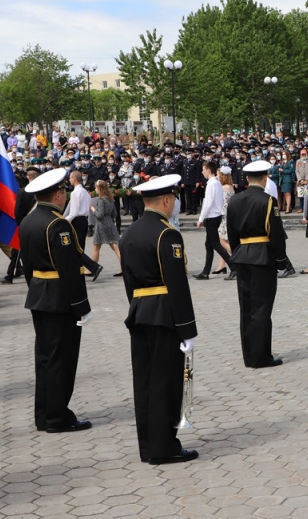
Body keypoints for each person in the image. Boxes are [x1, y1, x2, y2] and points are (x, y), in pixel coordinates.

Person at [120, 174, 198, 464]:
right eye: (174, 198)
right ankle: (164, 447)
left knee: (144, 382)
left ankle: (149, 446)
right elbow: (177, 284)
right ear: (166, 200)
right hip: (165, 315)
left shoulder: (129, 233)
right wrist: (188, 329)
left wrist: (137, 307)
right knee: (165, 383)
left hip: (139, 311)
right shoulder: (167, 234)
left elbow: (129, 282)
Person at [19, 168, 93, 433]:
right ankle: (57, 417)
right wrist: (82, 306)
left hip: (39, 295)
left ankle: (45, 414)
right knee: (62, 359)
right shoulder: (58, 224)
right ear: (59, 195)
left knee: (45, 358)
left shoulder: (28, 221)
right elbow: (69, 269)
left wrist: (35, 289)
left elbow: (27, 265)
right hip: (60, 299)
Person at [225, 160, 290, 368]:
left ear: (246, 179)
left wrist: (237, 253)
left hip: (242, 255)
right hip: (262, 257)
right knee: (262, 308)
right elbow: (275, 233)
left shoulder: (235, 200)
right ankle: (261, 357)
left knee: (246, 308)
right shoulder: (268, 200)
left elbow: (231, 233)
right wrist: (281, 260)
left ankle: (249, 355)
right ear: (265, 178)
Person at [193, 161, 233, 280]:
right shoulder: (215, 183)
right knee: (209, 245)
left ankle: (234, 267)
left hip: (212, 216)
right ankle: (206, 272)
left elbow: (208, 203)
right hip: (215, 216)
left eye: (203, 169)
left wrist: (201, 219)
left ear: (208, 170)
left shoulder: (212, 184)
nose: (202, 172)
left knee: (216, 244)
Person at [63, 170, 102, 280]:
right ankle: (79, 271)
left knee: (75, 248)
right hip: (83, 220)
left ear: (74, 179)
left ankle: (94, 267)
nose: (69, 180)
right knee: (79, 247)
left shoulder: (76, 193)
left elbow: (74, 212)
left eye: (70, 178)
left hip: (77, 220)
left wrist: (64, 221)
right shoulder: (84, 191)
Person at [89, 180, 122, 275]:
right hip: (110, 222)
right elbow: (114, 214)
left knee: (96, 246)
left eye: (96, 187)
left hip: (101, 224)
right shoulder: (110, 198)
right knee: (115, 245)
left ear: (100, 188)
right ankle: (124, 266)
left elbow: (99, 215)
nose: (95, 189)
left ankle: (92, 269)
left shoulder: (101, 200)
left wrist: (92, 209)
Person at [214, 167, 235, 277]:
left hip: (223, 216)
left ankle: (237, 256)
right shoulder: (230, 187)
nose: (216, 177)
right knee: (223, 239)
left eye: (218, 175)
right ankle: (222, 265)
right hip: (228, 215)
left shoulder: (223, 188)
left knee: (221, 241)